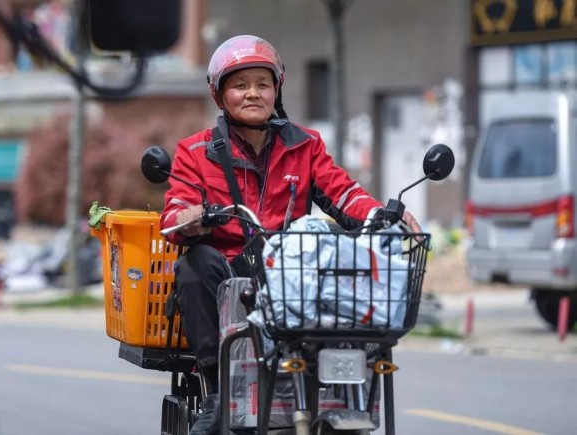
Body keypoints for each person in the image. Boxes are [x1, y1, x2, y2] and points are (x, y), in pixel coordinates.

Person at [160, 34, 421, 434]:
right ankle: (218, 386)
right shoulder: (195, 152)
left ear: (276, 90)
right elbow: (174, 214)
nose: (253, 94)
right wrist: (194, 216)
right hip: (227, 276)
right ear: (220, 94)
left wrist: (382, 215)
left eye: (263, 84)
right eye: (240, 84)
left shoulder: (306, 146)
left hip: (290, 278)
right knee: (197, 262)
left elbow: (342, 192)